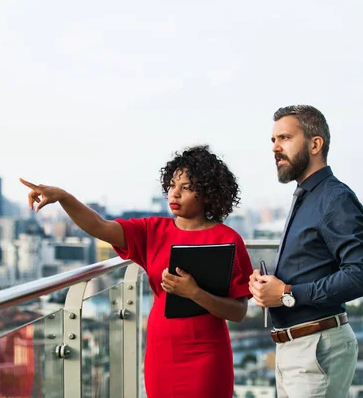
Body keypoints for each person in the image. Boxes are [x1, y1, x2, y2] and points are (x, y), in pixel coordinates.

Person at [20, 145, 253, 398]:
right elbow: (98, 226)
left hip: (208, 355)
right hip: (162, 352)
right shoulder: (151, 230)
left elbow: (238, 311)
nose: (174, 194)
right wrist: (63, 197)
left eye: (186, 188)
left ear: (207, 194)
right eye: (172, 185)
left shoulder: (228, 239)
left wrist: (194, 293)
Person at [249, 105, 363, 398]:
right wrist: (265, 286)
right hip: (293, 349)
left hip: (316, 348)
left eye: (284, 138)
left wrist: (287, 293)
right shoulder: (305, 196)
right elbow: (309, 265)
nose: (275, 148)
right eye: (272, 140)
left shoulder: (335, 198)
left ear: (315, 143)